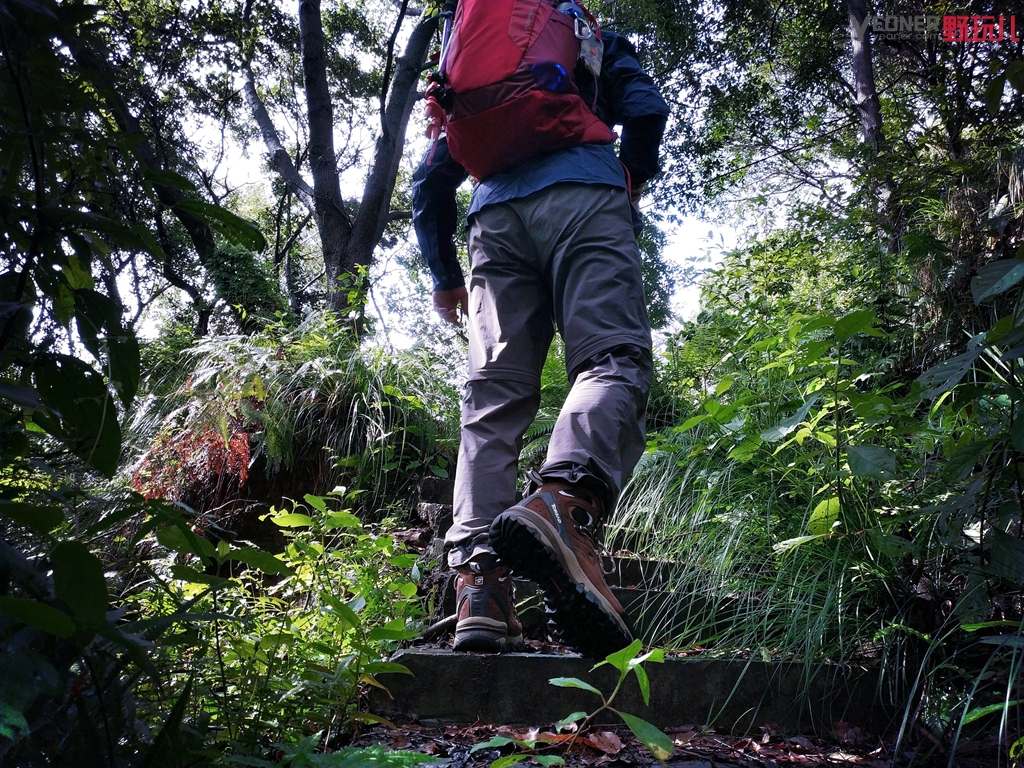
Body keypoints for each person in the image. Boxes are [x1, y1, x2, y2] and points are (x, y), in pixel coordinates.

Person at [411, 10, 669, 659]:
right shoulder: (589, 36)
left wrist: (446, 276)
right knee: (613, 359)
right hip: (585, 193)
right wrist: (629, 181)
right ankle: (564, 500)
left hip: (493, 218)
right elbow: (645, 110)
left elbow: (429, 182)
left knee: (491, 403)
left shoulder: (471, 56)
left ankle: (479, 589)